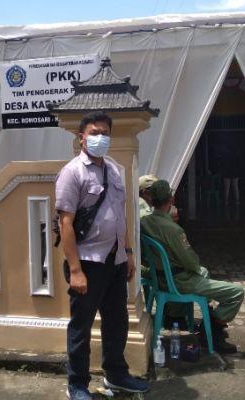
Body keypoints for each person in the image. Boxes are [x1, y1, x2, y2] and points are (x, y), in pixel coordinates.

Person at [55, 112, 149, 400]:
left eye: (105, 132)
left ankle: (116, 374)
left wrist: (128, 253)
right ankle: (77, 384)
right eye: (94, 132)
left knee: (117, 321)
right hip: (87, 262)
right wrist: (75, 270)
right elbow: (65, 223)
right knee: (81, 327)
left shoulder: (115, 169)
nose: (100, 137)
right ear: (81, 137)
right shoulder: (72, 172)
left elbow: (121, 215)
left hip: (115, 261)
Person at [141, 179, 245, 354]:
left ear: (151, 199)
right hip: (180, 281)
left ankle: (189, 317)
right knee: (236, 292)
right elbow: (191, 262)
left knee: (203, 272)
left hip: (160, 278)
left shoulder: (144, 222)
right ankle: (212, 330)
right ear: (171, 200)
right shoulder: (173, 229)